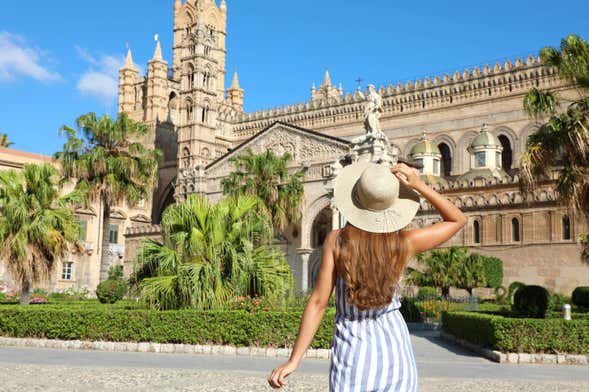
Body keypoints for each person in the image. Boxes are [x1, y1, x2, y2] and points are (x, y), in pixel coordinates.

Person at [268, 161, 467, 391]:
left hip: (353, 353)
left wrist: (294, 360)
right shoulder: (404, 243)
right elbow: (457, 219)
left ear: (355, 200)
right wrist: (419, 185)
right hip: (395, 354)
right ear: (392, 205)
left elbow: (318, 302)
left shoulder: (337, 240)